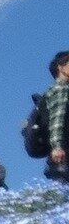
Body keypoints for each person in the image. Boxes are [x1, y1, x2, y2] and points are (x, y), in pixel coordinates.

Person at [45, 49, 69, 182]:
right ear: (61, 67)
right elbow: (57, 120)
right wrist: (57, 146)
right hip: (63, 152)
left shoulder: (52, 90)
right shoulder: (62, 89)